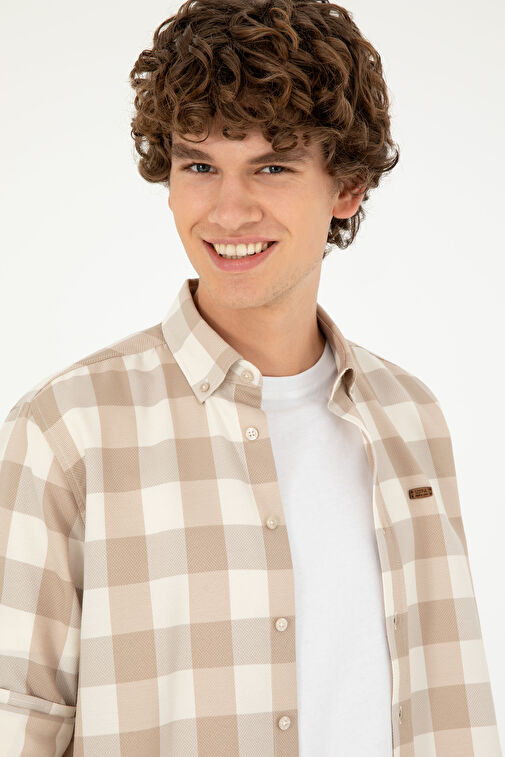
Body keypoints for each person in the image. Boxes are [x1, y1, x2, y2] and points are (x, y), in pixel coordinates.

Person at [0, 1, 501, 755]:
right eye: (199, 166)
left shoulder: (410, 417)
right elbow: (18, 719)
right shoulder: (67, 429)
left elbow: (449, 701)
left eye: (271, 167)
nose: (228, 212)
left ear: (347, 187)